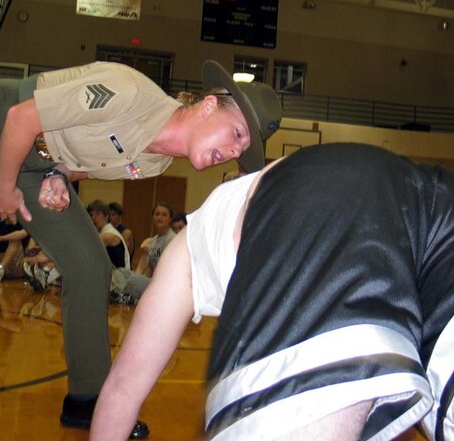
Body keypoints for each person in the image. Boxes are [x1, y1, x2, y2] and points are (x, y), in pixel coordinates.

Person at [0, 59, 281, 441]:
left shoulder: (157, 163)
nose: (232, 152)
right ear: (209, 105)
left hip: (37, 160)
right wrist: (5, 185)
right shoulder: (129, 93)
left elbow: (83, 160)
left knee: (89, 267)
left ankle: (89, 400)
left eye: (241, 153)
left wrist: (57, 176)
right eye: (237, 134)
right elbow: (22, 117)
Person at [90, 143, 454, 441]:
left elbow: (124, 385)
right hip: (428, 196)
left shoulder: (185, 253)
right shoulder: (233, 216)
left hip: (321, 199)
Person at [88, 200, 130, 269]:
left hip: (120, 278)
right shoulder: (104, 231)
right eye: (92, 215)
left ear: (106, 216)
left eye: (98, 214)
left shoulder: (109, 233)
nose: (93, 218)